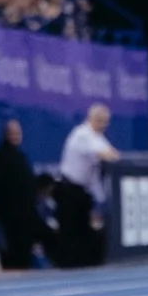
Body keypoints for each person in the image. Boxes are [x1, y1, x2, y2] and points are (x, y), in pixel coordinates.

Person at [55, 103, 119, 268]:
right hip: (68, 190)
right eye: (99, 121)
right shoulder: (82, 134)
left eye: (105, 122)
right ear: (90, 119)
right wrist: (111, 155)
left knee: (85, 232)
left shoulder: (98, 136)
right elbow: (104, 154)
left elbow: (113, 153)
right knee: (70, 232)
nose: (103, 125)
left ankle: (81, 266)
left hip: (83, 191)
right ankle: (66, 268)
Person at [0, 119, 50, 271]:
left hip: (27, 212)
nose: (15, 136)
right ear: (5, 135)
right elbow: (0, 186)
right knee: (16, 250)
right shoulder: (0, 156)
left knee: (34, 242)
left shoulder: (20, 156)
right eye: (12, 133)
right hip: (12, 214)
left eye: (18, 133)